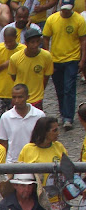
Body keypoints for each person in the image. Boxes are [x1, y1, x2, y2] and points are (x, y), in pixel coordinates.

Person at [43, 0, 86, 130]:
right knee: (60, 89)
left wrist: (82, 60)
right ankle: (63, 112)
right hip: (56, 60)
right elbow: (46, 37)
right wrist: (48, 57)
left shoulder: (79, 20)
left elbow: (83, 40)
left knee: (69, 88)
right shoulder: (52, 19)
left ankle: (68, 117)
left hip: (72, 59)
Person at [0, 27, 25, 133]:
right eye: (6, 41)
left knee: (16, 119)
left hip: (15, 91)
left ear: (16, 38)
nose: (8, 44)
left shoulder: (22, 50)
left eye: (11, 41)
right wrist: (4, 65)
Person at [0, 84, 45, 163]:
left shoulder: (39, 115)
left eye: (20, 97)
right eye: (14, 97)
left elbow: (43, 139)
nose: (17, 101)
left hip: (34, 161)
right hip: (13, 162)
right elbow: (3, 142)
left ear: (27, 97)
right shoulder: (6, 117)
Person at [7, 28, 53, 110]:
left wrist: (40, 90)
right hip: (20, 98)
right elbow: (13, 76)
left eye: (37, 41)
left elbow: (46, 76)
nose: (35, 45)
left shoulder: (46, 56)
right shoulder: (15, 58)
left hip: (37, 98)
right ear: (26, 43)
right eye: (32, 42)